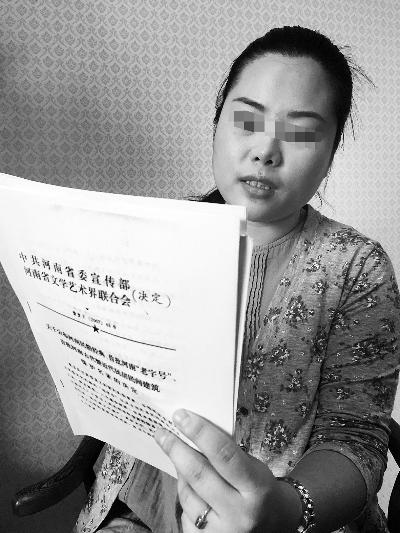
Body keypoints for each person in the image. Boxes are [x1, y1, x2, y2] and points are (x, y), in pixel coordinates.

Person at [73, 26, 400, 533]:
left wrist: (285, 508)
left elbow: (355, 435)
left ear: (331, 154)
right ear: (217, 124)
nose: (266, 150)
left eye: (301, 132)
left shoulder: (356, 267)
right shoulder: (153, 236)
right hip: (140, 501)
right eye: (247, 121)